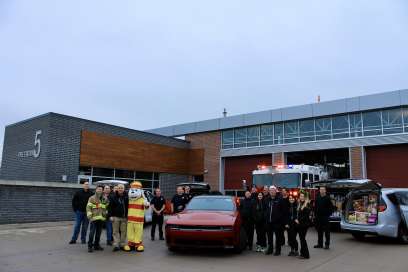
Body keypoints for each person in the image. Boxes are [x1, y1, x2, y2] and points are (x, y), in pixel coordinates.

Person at [86, 185, 109, 253]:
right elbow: (88, 207)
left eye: (101, 189)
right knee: (92, 233)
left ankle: (96, 245)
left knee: (98, 233)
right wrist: (90, 216)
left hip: (101, 219)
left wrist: (105, 215)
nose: (100, 190)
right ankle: (90, 246)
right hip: (94, 218)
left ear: (103, 190)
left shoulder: (105, 198)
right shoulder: (92, 198)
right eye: (98, 189)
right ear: (96, 190)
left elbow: (107, 207)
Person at [264, 186, 284, 255]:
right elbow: (265, 209)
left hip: (277, 222)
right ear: (269, 192)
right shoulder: (266, 199)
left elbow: (282, 211)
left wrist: (279, 219)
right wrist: (265, 217)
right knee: (269, 237)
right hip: (268, 222)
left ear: (276, 191)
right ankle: (270, 249)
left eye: (273, 190)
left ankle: (278, 250)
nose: (272, 192)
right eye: (270, 190)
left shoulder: (280, 199)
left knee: (278, 237)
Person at [109, 184, 128, 252]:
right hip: (115, 217)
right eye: (119, 188)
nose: (120, 189)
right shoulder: (113, 196)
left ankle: (122, 245)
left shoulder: (127, 196)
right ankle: (116, 245)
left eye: (122, 188)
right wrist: (110, 216)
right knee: (115, 232)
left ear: (124, 189)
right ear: (117, 189)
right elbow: (110, 207)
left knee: (123, 232)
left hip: (124, 217)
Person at [296, 192, 312, 259]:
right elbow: (299, 214)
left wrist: (298, 220)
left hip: (304, 225)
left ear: (305, 197)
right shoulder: (300, 204)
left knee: (302, 239)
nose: (301, 197)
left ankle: (306, 255)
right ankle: (302, 253)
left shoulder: (307, 205)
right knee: (301, 239)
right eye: (300, 196)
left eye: (302, 196)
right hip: (300, 225)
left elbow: (306, 216)